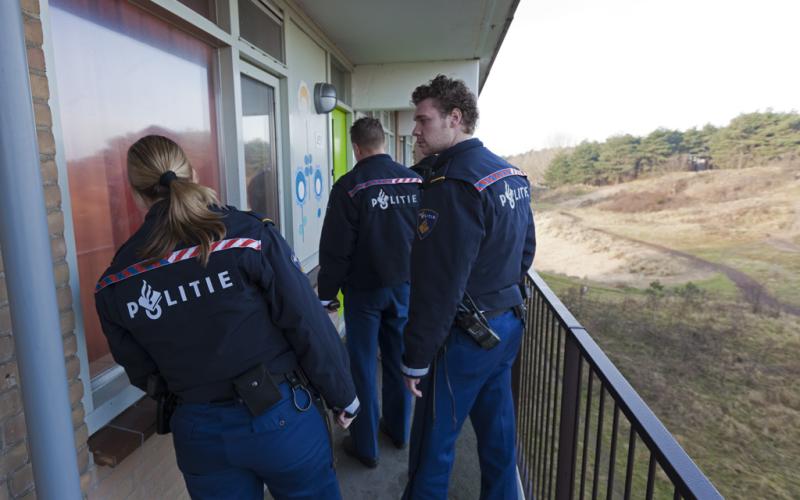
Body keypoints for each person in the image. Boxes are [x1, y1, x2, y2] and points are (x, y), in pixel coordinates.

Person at [94, 135, 358, 500]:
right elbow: (305, 323)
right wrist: (343, 394)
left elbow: (143, 372)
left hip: (199, 431)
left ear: (137, 193)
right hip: (281, 419)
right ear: (191, 172)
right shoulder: (247, 236)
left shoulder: (115, 280)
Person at [400, 75, 536, 499]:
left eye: (423, 120)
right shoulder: (508, 173)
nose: (415, 131)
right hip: (507, 325)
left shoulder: (453, 184)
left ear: (455, 119)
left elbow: (438, 284)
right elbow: (526, 252)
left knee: (433, 447)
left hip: (464, 338)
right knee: (497, 435)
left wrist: (415, 358)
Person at [318, 117, 422, 468]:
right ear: (384, 143)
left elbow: (336, 249)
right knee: (398, 360)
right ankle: (399, 431)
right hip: (405, 288)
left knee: (361, 365)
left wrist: (327, 295)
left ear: (357, 148)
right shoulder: (416, 181)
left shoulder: (349, 186)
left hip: (363, 294)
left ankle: (366, 447)